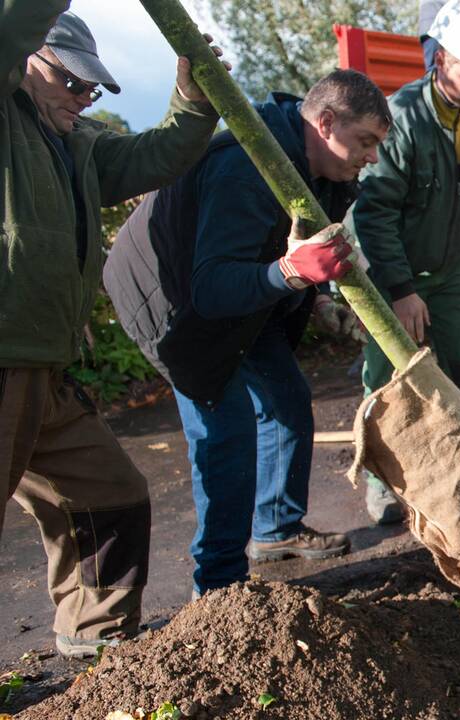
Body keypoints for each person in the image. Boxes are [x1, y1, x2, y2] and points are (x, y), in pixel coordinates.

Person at [103, 69, 390, 600]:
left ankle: (275, 531)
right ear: (324, 123)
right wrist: (291, 274)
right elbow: (211, 289)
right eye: (366, 141)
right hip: (173, 302)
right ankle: (218, 589)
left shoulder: (325, 170)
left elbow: (297, 244)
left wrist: (317, 293)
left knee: (285, 398)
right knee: (226, 431)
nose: (372, 156)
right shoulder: (246, 165)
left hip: (244, 289)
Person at [0, 5, 223, 657]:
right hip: (4, 359)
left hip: (49, 372)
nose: (84, 96)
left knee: (110, 495)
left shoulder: (78, 146)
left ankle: (94, 635)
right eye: (72, 82)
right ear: (27, 62)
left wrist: (190, 100)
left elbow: (157, 155)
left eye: (92, 88)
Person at [348, 0, 460, 524]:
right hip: (391, 278)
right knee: (389, 381)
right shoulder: (400, 119)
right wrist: (398, 289)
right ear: (441, 59)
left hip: (448, 275)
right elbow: (373, 214)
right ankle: (382, 483)